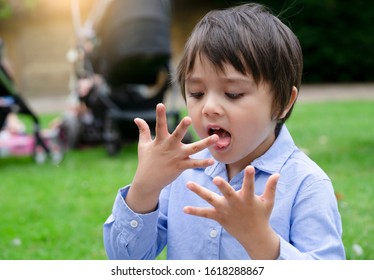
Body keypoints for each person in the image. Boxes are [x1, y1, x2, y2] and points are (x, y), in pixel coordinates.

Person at [103, 3, 345, 260]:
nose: (209, 107)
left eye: (233, 94)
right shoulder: (180, 172)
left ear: (283, 102)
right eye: (196, 93)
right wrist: (144, 189)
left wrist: (260, 240)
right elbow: (125, 261)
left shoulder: (306, 185)